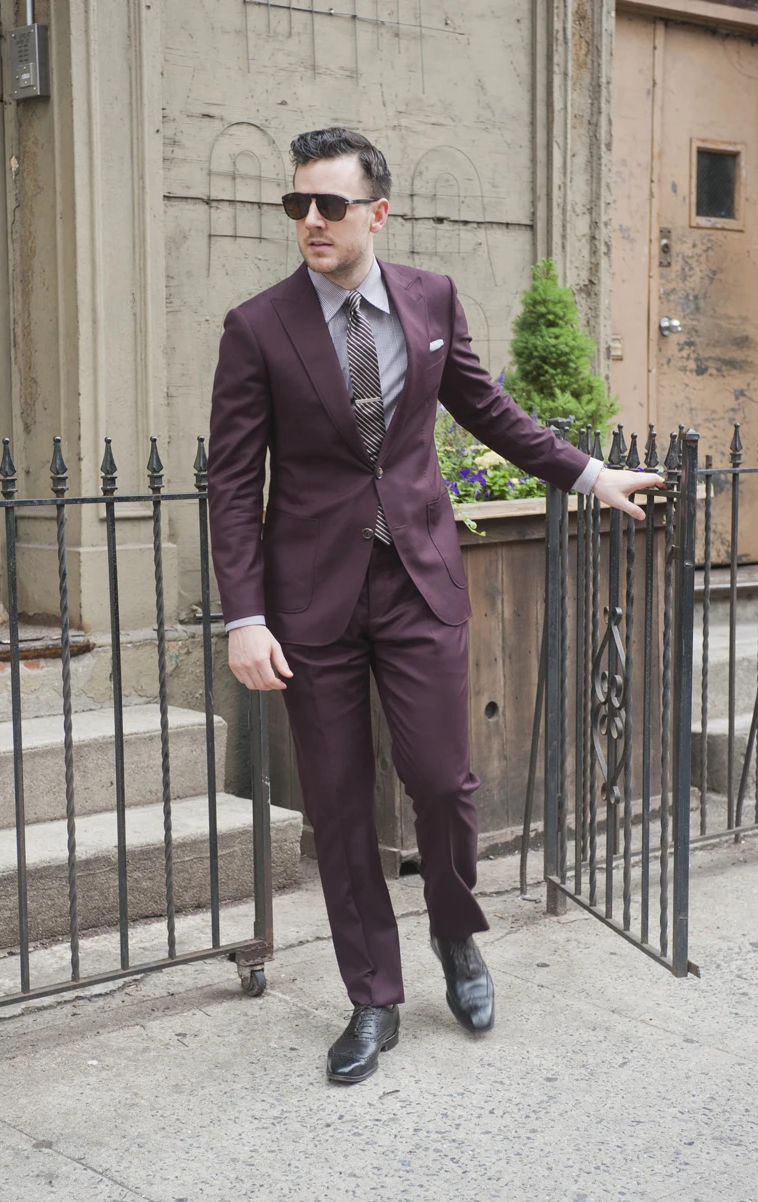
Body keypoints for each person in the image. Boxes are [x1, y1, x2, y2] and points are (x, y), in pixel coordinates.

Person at [207, 127, 663, 1085]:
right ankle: (373, 995)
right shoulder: (257, 328)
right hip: (309, 605)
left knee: (445, 786)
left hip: (418, 579)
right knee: (337, 808)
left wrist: (587, 474)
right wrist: (245, 615)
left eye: (330, 205)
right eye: (298, 206)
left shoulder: (430, 301)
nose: (312, 223)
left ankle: (458, 936)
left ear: (378, 211)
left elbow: (485, 410)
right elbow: (232, 484)